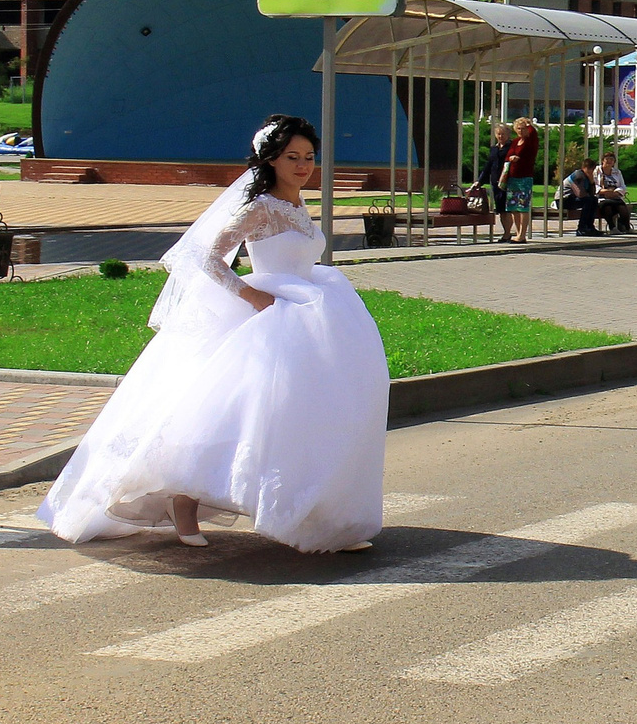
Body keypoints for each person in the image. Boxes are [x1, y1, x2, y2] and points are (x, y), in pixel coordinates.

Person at [37, 114, 387, 553]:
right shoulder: (259, 206)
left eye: (308, 157)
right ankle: (184, 502)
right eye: (291, 157)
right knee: (228, 413)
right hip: (270, 315)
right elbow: (205, 257)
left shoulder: (299, 205)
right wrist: (250, 295)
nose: (302, 166)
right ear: (271, 160)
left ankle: (320, 518)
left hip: (309, 312)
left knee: (313, 416)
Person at [501, 117, 539, 243]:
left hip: (525, 177)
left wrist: (528, 124)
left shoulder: (530, 141)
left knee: (523, 206)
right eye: (518, 128)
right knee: (513, 207)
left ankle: (522, 234)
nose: (521, 131)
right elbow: (507, 156)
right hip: (513, 178)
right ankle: (517, 233)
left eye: (523, 129)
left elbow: (533, 133)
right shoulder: (515, 141)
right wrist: (511, 158)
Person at [557, 159, 600, 237]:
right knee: (588, 201)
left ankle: (590, 226)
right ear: (584, 168)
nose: (591, 171)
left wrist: (592, 182)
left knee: (594, 200)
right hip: (563, 200)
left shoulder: (587, 177)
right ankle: (581, 228)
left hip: (574, 198)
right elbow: (580, 194)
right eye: (589, 169)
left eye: (592, 169)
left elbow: (592, 194)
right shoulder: (578, 176)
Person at [594, 152, 631, 234]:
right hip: (602, 197)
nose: (609, 161)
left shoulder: (617, 172)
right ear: (602, 160)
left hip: (615, 196)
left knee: (623, 208)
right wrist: (604, 191)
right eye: (607, 159)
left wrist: (616, 192)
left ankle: (627, 227)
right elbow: (594, 185)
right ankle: (612, 228)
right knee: (607, 207)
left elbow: (623, 186)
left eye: (612, 159)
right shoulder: (596, 171)